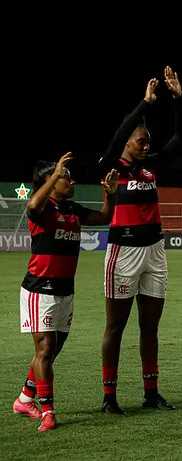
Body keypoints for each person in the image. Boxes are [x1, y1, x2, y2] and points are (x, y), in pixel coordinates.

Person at [97, 66, 182, 413]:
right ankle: (110, 397)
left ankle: (151, 393)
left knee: (149, 327)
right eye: (141, 140)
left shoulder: (151, 165)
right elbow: (120, 132)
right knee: (115, 328)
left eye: (148, 140)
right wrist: (144, 103)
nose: (146, 145)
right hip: (123, 251)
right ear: (126, 142)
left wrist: (178, 99)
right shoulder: (112, 167)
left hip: (155, 251)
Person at [13, 153, 118, 431]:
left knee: (53, 348)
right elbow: (33, 204)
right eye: (64, 177)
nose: (71, 181)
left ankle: (25, 398)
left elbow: (105, 216)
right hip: (40, 289)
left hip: (64, 291)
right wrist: (54, 174)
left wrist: (110, 195)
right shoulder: (42, 209)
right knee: (45, 349)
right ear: (49, 181)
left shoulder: (72, 209)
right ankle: (48, 411)